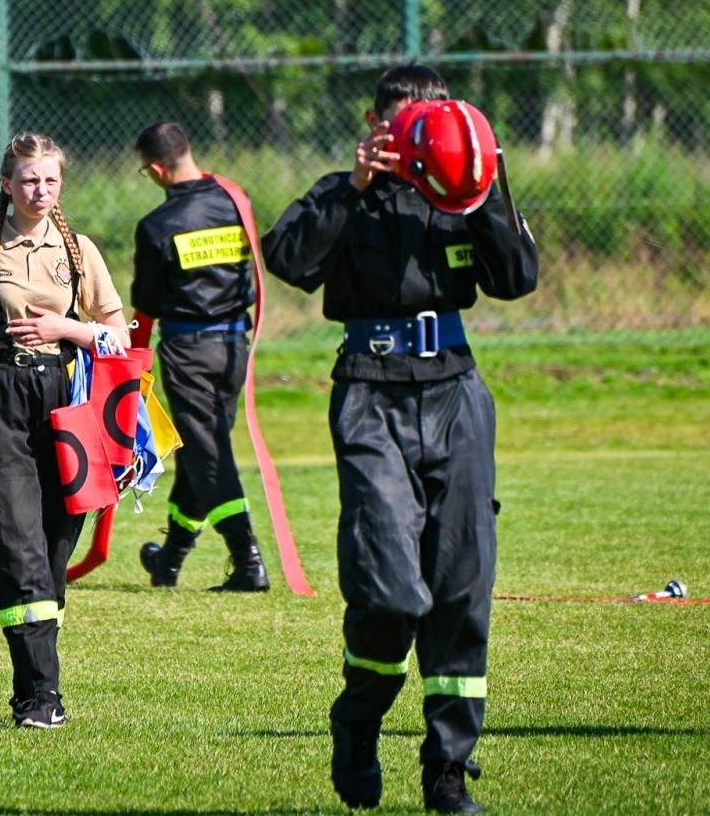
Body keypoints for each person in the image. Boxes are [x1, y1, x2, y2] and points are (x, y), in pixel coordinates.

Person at [262, 65, 538, 815]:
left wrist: (479, 182)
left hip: (455, 390)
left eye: (430, 124)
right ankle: (357, 721)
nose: (418, 140)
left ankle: (448, 768)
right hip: (370, 392)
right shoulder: (345, 191)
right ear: (377, 124)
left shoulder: (460, 195)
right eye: (403, 126)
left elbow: (516, 276)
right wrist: (351, 184)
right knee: (389, 589)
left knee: (461, 586)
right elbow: (287, 258)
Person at [0, 132, 129, 729]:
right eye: (29, 180)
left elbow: (120, 334)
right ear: (7, 185)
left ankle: (37, 682)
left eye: (50, 180)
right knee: (16, 549)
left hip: (67, 399)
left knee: (55, 548)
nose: (40, 191)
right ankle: (40, 696)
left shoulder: (81, 250)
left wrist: (68, 330)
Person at [130, 121, 267, 592]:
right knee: (199, 450)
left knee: (209, 455)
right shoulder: (236, 200)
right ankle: (169, 559)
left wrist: (133, 361)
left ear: (155, 168)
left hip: (188, 351)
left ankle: (247, 560)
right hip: (234, 348)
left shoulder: (156, 227)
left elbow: (145, 305)